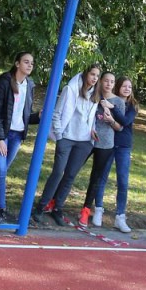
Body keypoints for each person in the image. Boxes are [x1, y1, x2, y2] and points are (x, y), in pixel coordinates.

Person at [33, 65, 100, 225]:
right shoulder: (70, 89)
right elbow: (57, 113)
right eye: (92, 74)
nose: (95, 78)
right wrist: (59, 135)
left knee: (70, 175)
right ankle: (41, 206)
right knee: (58, 172)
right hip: (66, 138)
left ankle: (58, 208)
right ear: (85, 74)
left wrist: (92, 130)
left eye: (97, 76)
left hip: (84, 141)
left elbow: (91, 118)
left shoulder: (95, 95)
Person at [0, 52, 38, 226]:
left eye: (32, 63)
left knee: (0, 171)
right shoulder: (5, 81)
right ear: (17, 64)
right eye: (26, 62)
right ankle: (1, 209)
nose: (29, 65)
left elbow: (25, 116)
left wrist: (38, 116)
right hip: (2, 133)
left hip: (17, 135)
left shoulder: (30, 85)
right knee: (0, 169)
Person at [79, 72, 118, 229]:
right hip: (86, 140)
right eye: (106, 80)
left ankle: (86, 210)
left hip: (105, 144)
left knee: (95, 178)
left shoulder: (117, 102)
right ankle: (55, 201)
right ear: (101, 81)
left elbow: (120, 126)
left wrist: (111, 119)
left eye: (112, 82)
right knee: (71, 170)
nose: (108, 84)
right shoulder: (93, 95)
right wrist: (90, 128)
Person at [105, 76, 140, 233]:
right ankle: (97, 208)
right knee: (102, 177)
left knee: (123, 181)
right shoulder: (108, 100)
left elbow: (125, 121)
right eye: (124, 86)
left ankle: (120, 216)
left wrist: (112, 108)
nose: (127, 89)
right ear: (118, 87)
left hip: (124, 145)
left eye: (130, 87)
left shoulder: (132, 106)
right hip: (108, 142)